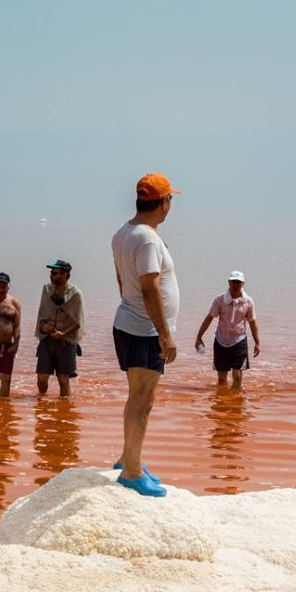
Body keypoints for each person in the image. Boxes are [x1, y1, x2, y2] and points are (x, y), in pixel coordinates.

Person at [111, 172, 181, 497]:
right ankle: (132, 471)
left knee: (136, 396)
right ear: (164, 203)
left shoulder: (124, 233)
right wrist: (165, 335)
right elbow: (149, 287)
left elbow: (122, 281)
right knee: (143, 401)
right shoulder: (148, 239)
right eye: (171, 199)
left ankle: (129, 457)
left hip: (130, 322)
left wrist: (131, 307)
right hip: (144, 330)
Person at [194, 271, 260, 389]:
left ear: (243, 283)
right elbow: (209, 318)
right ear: (229, 282)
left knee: (237, 376)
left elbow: (253, 322)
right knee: (222, 378)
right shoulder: (220, 300)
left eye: (238, 282)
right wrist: (199, 337)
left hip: (239, 340)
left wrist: (257, 343)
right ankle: (223, 402)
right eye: (233, 282)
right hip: (221, 341)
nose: (235, 285)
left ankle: (236, 404)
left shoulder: (248, 301)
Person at [34, 259, 85, 398]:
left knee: (63, 380)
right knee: (42, 378)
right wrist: (45, 327)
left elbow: (78, 322)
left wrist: (63, 334)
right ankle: (42, 406)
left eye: (56, 273)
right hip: (47, 338)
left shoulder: (75, 294)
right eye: (51, 273)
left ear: (66, 275)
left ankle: (64, 413)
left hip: (66, 341)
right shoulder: (47, 289)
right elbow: (42, 314)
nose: (52, 276)